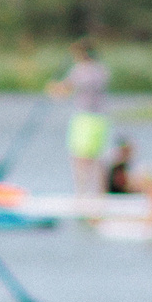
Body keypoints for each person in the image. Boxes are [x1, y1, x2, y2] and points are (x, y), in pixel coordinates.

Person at [51, 39, 110, 197]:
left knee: (80, 158)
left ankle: (82, 194)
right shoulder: (101, 70)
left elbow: (63, 91)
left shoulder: (82, 70)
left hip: (85, 119)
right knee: (97, 159)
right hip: (100, 120)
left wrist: (54, 87)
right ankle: (100, 195)